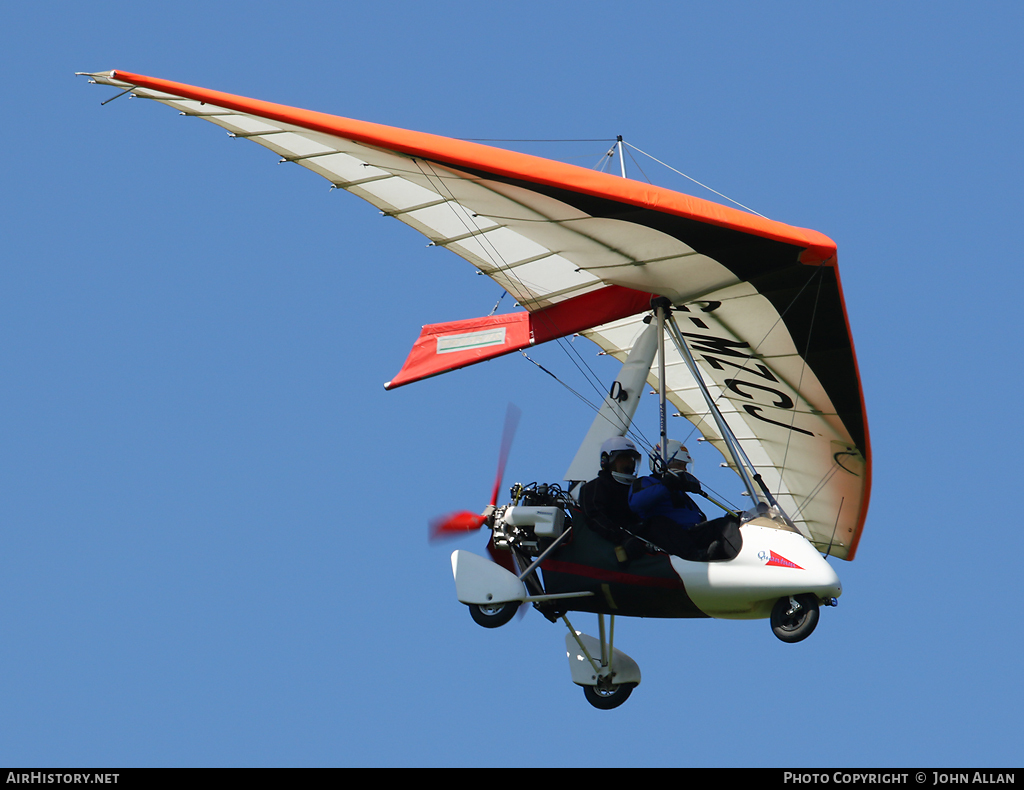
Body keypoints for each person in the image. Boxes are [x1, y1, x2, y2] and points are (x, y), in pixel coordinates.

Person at [627, 440, 713, 560]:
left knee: (723, 525)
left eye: (685, 465)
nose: (684, 469)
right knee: (659, 522)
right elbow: (636, 503)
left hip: (692, 534)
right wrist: (666, 485)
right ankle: (695, 557)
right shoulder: (646, 482)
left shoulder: (680, 493)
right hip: (670, 538)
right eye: (679, 465)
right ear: (659, 464)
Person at [578, 436, 647, 562]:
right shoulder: (595, 487)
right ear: (607, 461)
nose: (629, 464)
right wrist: (623, 538)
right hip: (614, 550)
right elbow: (595, 517)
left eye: (631, 459)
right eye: (623, 458)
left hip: (644, 541)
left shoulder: (637, 488)